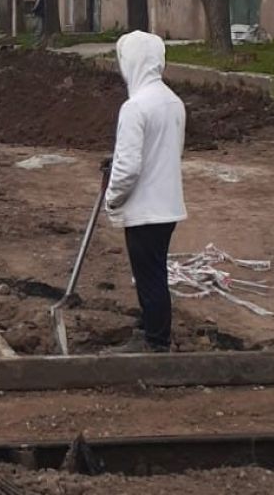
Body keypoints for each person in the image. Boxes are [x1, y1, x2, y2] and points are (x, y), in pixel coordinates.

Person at [104, 30, 187, 354]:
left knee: (149, 276)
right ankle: (150, 327)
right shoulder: (173, 102)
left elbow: (128, 169)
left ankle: (156, 342)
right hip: (168, 206)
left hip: (144, 209)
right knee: (154, 271)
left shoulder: (134, 108)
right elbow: (167, 152)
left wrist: (113, 198)